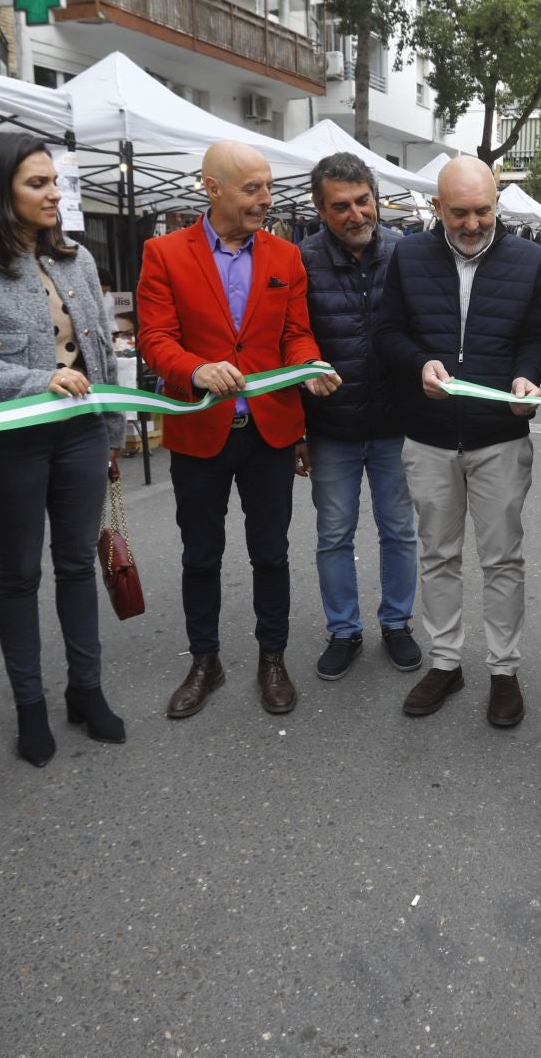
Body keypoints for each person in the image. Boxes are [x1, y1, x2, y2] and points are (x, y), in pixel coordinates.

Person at [0, 133, 125, 769]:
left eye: (54, 182)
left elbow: (99, 352)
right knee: (18, 574)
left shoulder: (77, 257)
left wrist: (112, 431)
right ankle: (29, 706)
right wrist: (37, 380)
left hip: (80, 433)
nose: (54, 194)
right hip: (9, 440)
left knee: (77, 565)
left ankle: (86, 690)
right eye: (37, 184)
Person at [135, 141, 339, 719]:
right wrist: (195, 369)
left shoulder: (286, 257)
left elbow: (294, 334)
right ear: (213, 188)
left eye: (268, 187)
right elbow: (154, 338)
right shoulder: (163, 253)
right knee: (201, 555)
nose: (266, 199)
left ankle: (273, 658)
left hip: (269, 432)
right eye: (253, 189)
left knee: (271, 553)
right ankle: (205, 661)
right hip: (199, 429)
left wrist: (309, 365)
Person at [376, 156, 541, 727]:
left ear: (497, 202)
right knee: (438, 555)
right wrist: (418, 364)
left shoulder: (530, 259)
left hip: (499, 436)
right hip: (428, 436)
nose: (473, 224)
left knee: (502, 559)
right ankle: (445, 662)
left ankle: (504, 669)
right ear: (437, 207)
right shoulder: (408, 255)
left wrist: (527, 376)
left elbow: (539, 336)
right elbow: (387, 333)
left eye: (482, 210)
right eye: (459, 213)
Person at [296, 152, 422, 681]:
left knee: (399, 531)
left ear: (377, 198)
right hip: (332, 429)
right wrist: (298, 431)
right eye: (341, 206)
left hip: (396, 424)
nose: (356, 214)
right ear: (320, 210)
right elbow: (291, 341)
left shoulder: (407, 253)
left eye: (363, 201)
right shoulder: (300, 261)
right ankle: (343, 630)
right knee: (334, 535)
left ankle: (396, 623)